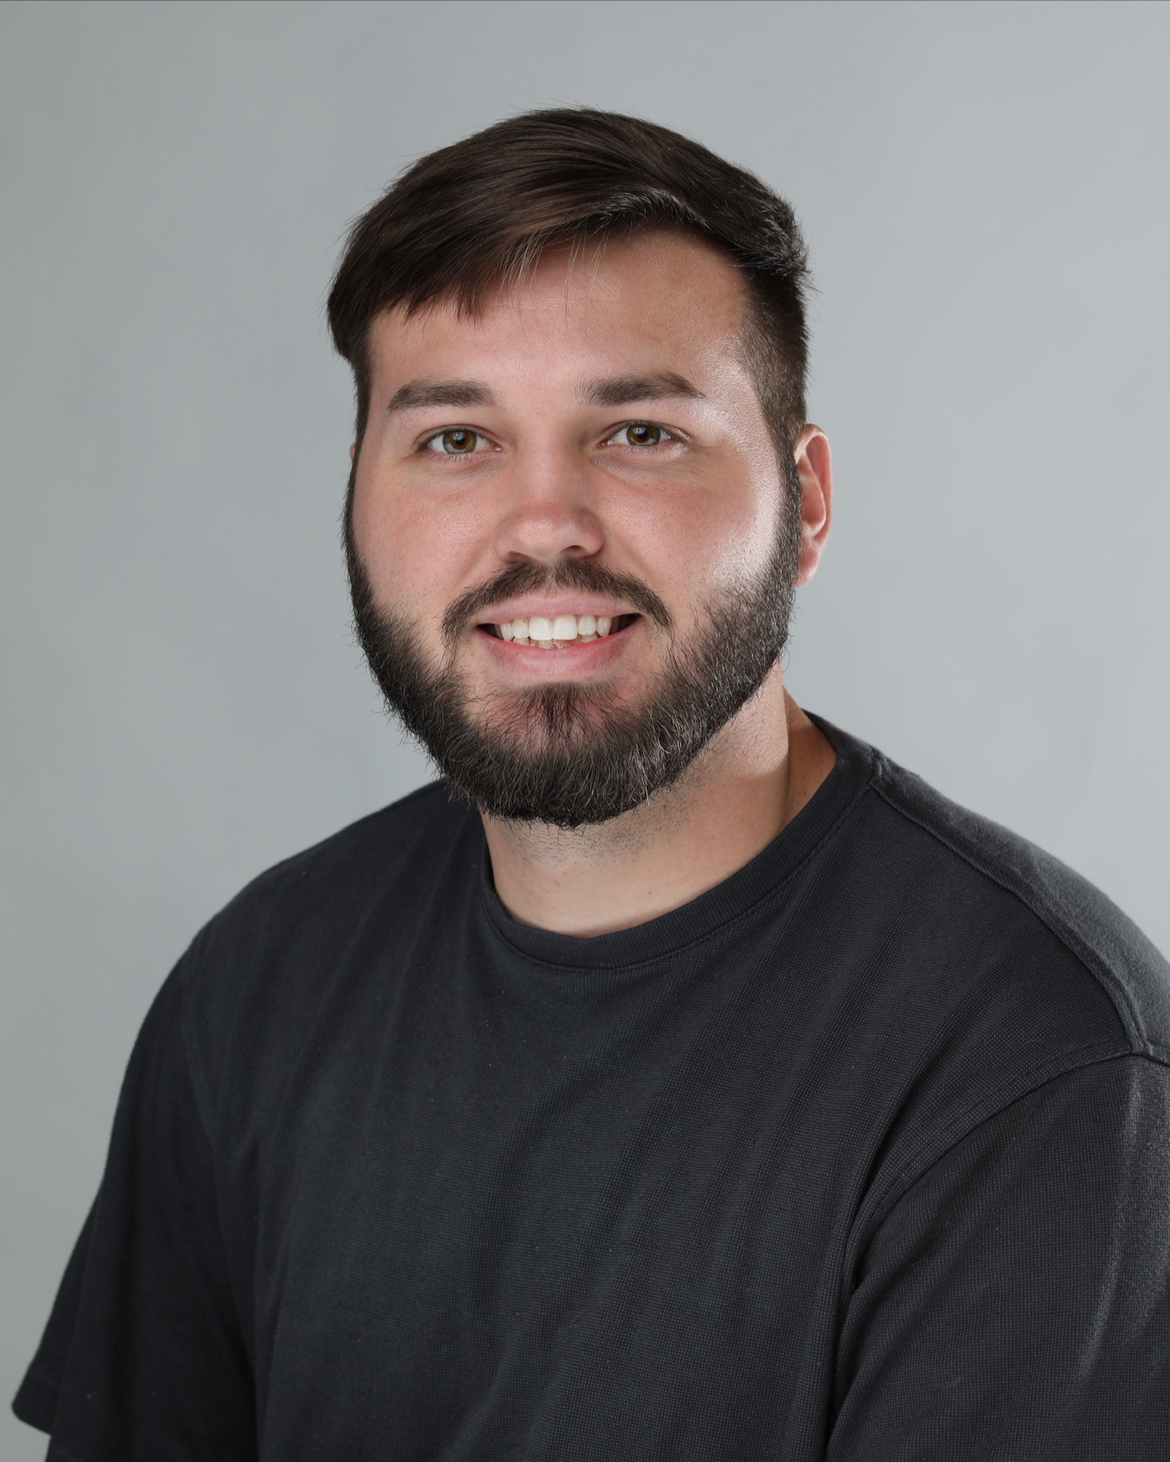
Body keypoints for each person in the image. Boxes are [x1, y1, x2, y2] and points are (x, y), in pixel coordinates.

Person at [13, 108, 1170, 1461]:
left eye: (637, 431)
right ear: (359, 498)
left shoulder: (1037, 1062)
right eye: (455, 439)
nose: (543, 521)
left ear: (803, 504)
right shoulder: (258, 984)